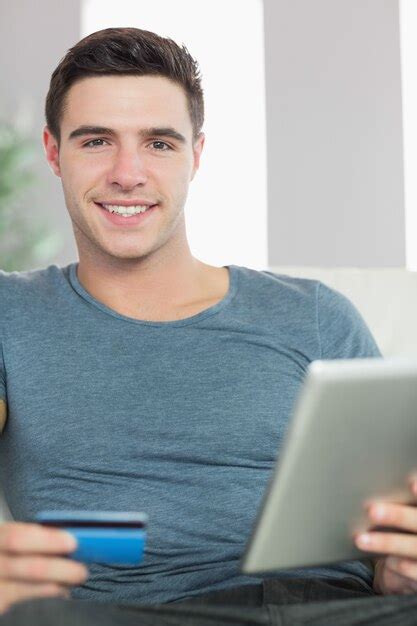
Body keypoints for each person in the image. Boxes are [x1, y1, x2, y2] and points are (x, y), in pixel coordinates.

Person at [0, 25, 417, 626]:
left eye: (159, 144)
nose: (127, 173)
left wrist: (400, 567)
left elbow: (387, 529)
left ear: (196, 155)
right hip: (126, 614)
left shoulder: (315, 314)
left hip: (333, 609)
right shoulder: (10, 313)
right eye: (96, 141)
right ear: (52, 151)